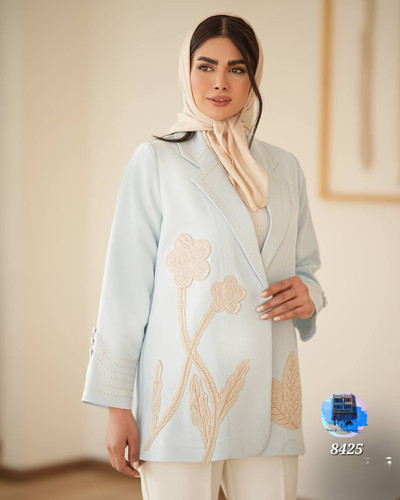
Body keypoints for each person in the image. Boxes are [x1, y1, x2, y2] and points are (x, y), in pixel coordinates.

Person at [81, 12, 328, 500]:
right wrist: (117, 406)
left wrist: (310, 296)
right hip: (182, 393)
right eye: (206, 66)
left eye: (237, 68)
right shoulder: (156, 160)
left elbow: (307, 269)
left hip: (271, 393)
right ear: (186, 70)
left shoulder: (284, 168)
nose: (220, 83)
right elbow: (125, 291)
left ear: (253, 77)